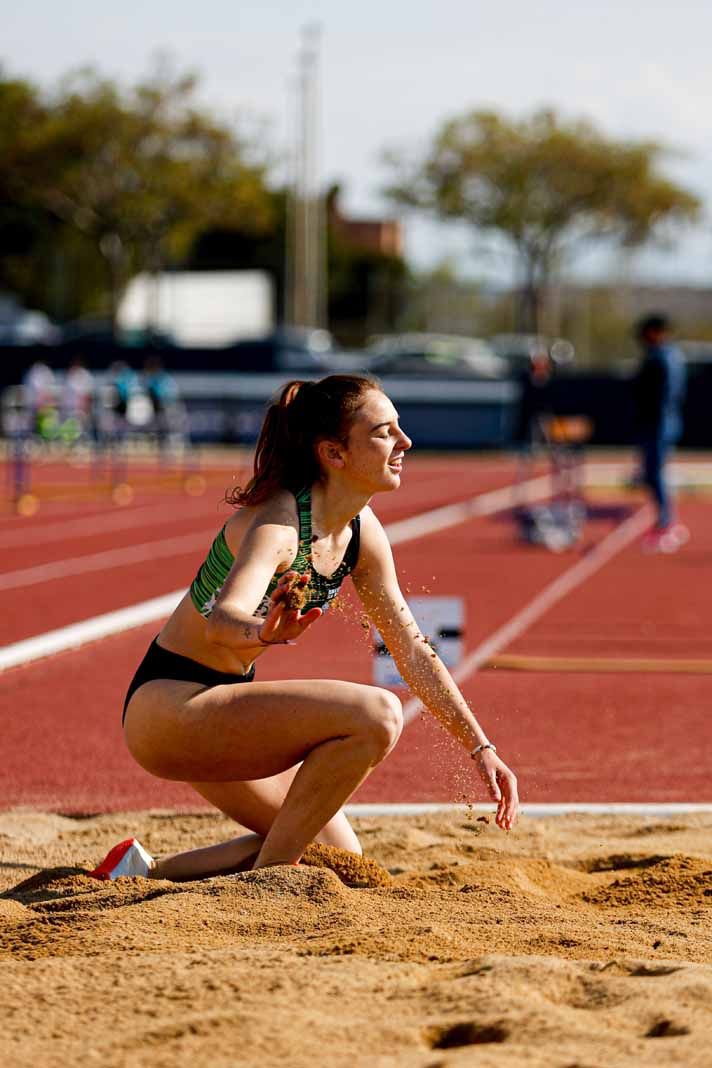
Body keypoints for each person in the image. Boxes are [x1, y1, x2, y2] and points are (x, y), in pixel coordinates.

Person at [91, 374, 518, 882]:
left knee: (337, 856)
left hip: (222, 706)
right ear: (334, 454)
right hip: (169, 706)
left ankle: (140, 874)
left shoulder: (362, 530)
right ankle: (269, 885)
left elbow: (410, 647)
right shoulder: (278, 524)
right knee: (378, 714)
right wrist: (262, 633)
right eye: (385, 432)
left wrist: (480, 747)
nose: (405, 442)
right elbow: (224, 620)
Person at [633, 314, 688, 553]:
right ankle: (666, 521)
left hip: (658, 423)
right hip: (661, 422)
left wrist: (653, 418)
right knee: (653, 473)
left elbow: (664, 393)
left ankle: (666, 525)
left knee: (654, 473)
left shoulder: (663, 357)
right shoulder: (667, 355)